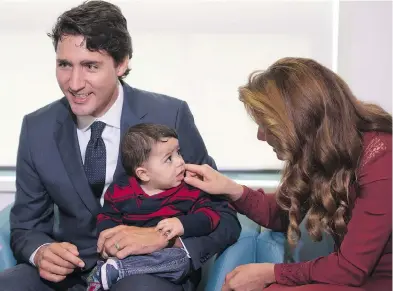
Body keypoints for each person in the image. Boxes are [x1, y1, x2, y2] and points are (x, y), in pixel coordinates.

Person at [0, 1, 240, 290]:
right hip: (72, 275)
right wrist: (41, 253)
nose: (74, 83)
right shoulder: (36, 127)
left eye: (90, 66)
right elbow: (26, 226)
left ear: (122, 63)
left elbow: (224, 216)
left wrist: (165, 237)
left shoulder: (170, 115)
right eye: (65, 65)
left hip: (148, 270)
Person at [184, 57, 392, 291]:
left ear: (298, 121)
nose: (261, 136)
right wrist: (231, 190)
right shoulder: (327, 154)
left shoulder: (381, 157)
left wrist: (271, 273)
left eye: (266, 125)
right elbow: (283, 214)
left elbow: (351, 269)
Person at [86, 123, 221, 291]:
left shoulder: (189, 189)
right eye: (169, 159)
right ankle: (115, 271)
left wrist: (182, 224)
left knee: (182, 258)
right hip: (130, 254)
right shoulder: (120, 191)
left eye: (178, 152)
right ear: (143, 173)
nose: (180, 162)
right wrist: (111, 238)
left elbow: (210, 216)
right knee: (118, 255)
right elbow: (107, 217)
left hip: (170, 264)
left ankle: (114, 272)